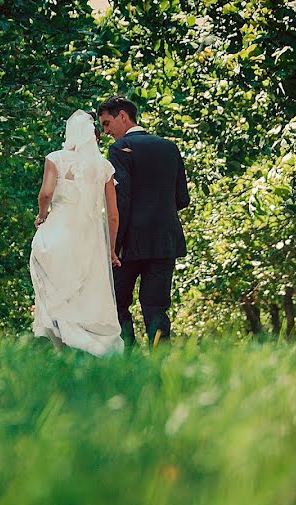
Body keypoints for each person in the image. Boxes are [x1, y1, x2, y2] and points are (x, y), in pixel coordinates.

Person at [29, 110, 124, 356]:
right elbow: (113, 215)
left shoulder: (55, 159)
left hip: (58, 233)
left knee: (54, 287)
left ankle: (62, 345)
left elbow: (46, 194)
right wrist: (111, 249)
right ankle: (86, 346)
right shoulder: (104, 167)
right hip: (89, 236)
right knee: (86, 291)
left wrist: (42, 215)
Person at [98, 96, 189, 346]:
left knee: (117, 304)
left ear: (123, 116)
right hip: (164, 241)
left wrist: (113, 247)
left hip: (129, 244)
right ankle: (160, 359)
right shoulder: (169, 147)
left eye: (107, 124)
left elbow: (121, 201)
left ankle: (128, 357)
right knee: (157, 306)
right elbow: (182, 198)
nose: (106, 132)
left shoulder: (118, 150)